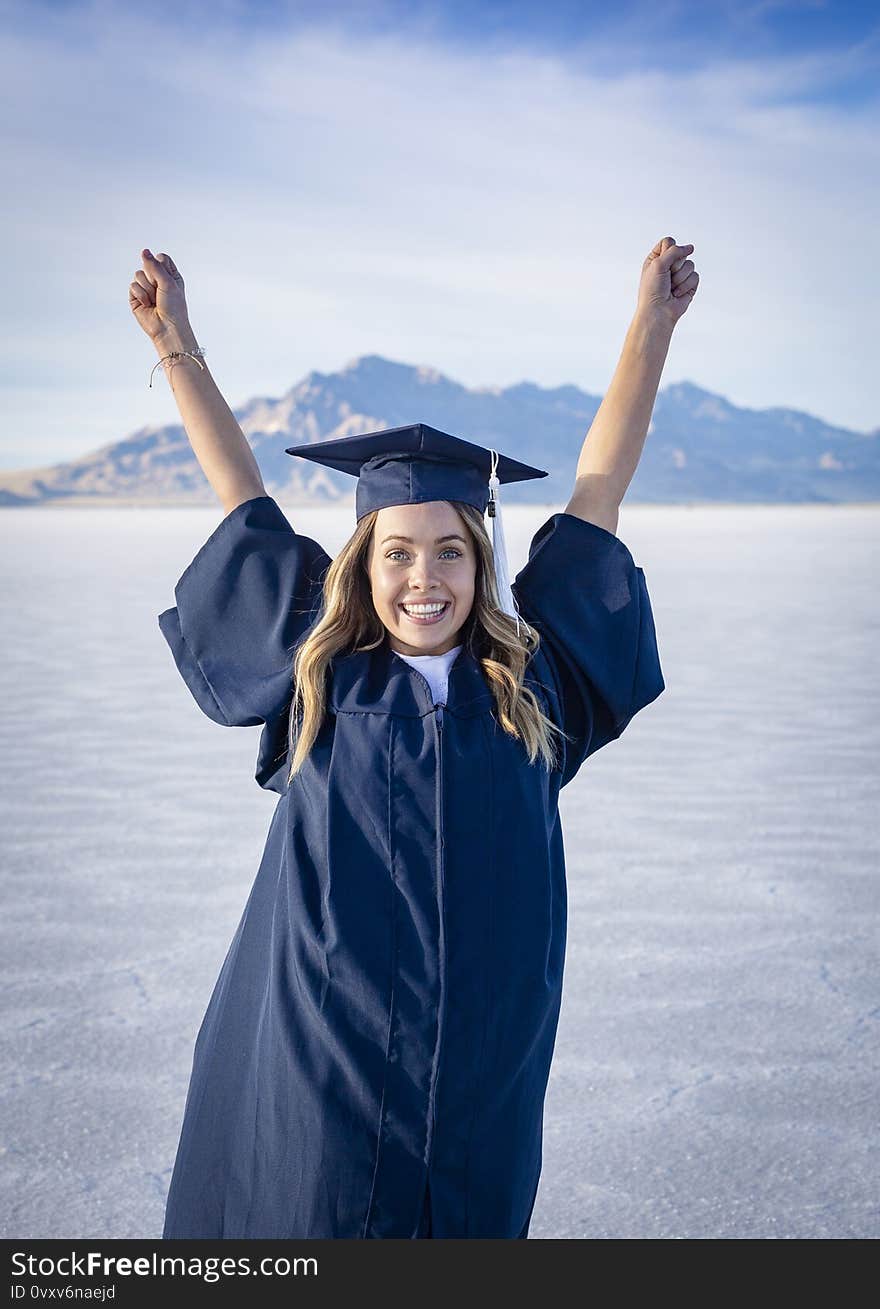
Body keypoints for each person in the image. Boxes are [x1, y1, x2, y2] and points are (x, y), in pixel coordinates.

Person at [129, 236, 699, 1239]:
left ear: (482, 566)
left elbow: (595, 494)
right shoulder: (318, 677)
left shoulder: (535, 688)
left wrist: (649, 326)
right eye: (397, 553)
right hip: (328, 1072)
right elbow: (242, 500)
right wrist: (178, 344)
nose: (422, 577)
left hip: (482, 1079)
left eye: (449, 552)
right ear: (363, 562)